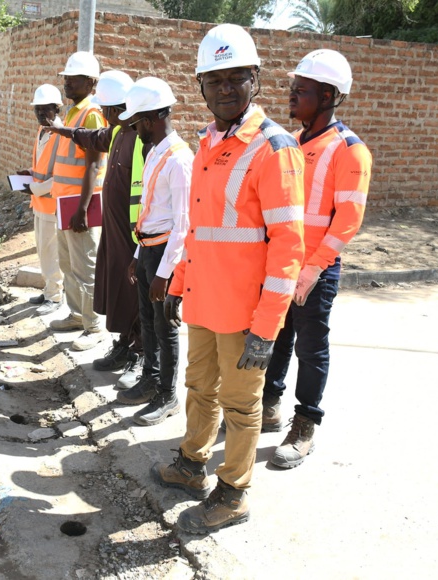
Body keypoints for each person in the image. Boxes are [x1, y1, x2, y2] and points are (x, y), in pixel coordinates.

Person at [151, 24, 305, 534]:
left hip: (244, 314)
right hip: (202, 302)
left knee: (241, 406)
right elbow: (199, 229)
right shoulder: (210, 143)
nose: (225, 89)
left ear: (255, 80)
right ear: (200, 86)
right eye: (214, 80)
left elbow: (288, 246)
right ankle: (193, 465)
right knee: (198, 387)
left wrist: (267, 327)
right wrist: (178, 284)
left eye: (236, 78)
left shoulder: (273, 147)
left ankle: (233, 493)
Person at [262, 49, 372, 468]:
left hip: (315, 269)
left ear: (328, 96)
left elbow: (348, 220)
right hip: (281, 262)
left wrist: (312, 269)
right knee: (275, 337)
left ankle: (305, 423)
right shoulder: (292, 143)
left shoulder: (350, 151)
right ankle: (270, 404)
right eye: (292, 89)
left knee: (310, 346)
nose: (291, 97)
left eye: (301, 91)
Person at [44, 70, 148, 382]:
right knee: (116, 289)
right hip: (115, 231)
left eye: (106, 110)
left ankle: (140, 354)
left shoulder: (142, 140)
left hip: (136, 236)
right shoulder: (116, 132)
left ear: (116, 110)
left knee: (136, 298)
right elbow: (91, 138)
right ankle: (122, 343)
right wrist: (63, 131)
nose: (103, 115)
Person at [115, 77, 193, 427]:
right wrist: (136, 255)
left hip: (165, 253)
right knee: (147, 321)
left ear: (151, 119)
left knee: (165, 326)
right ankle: (151, 378)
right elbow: (148, 209)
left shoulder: (179, 160)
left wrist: (165, 273)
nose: (134, 129)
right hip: (147, 249)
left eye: (136, 122)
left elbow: (183, 223)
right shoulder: (155, 152)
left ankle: (167, 395)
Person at [48, 52, 109, 352]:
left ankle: (94, 325)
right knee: (68, 263)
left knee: (86, 266)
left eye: (73, 78)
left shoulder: (92, 114)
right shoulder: (71, 114)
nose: (67, 82)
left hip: (81, 205)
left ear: (91, 82)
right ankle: (76, 315)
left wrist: (83, 209)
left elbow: (93, 166)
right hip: (65, 202)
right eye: (66, 78)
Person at [19, 84, 65, 316]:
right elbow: (43, 166)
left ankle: (55, 295)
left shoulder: (62, 135)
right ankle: (49, 290)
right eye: (37, 110)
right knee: (42, 250)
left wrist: (35, 188)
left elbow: (62, 175)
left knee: (52, 252)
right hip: (39, 203)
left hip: (52, 204)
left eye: (45, 110)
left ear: (56, 109)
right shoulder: (41, 132)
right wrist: (29, 173)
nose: (40, 115)